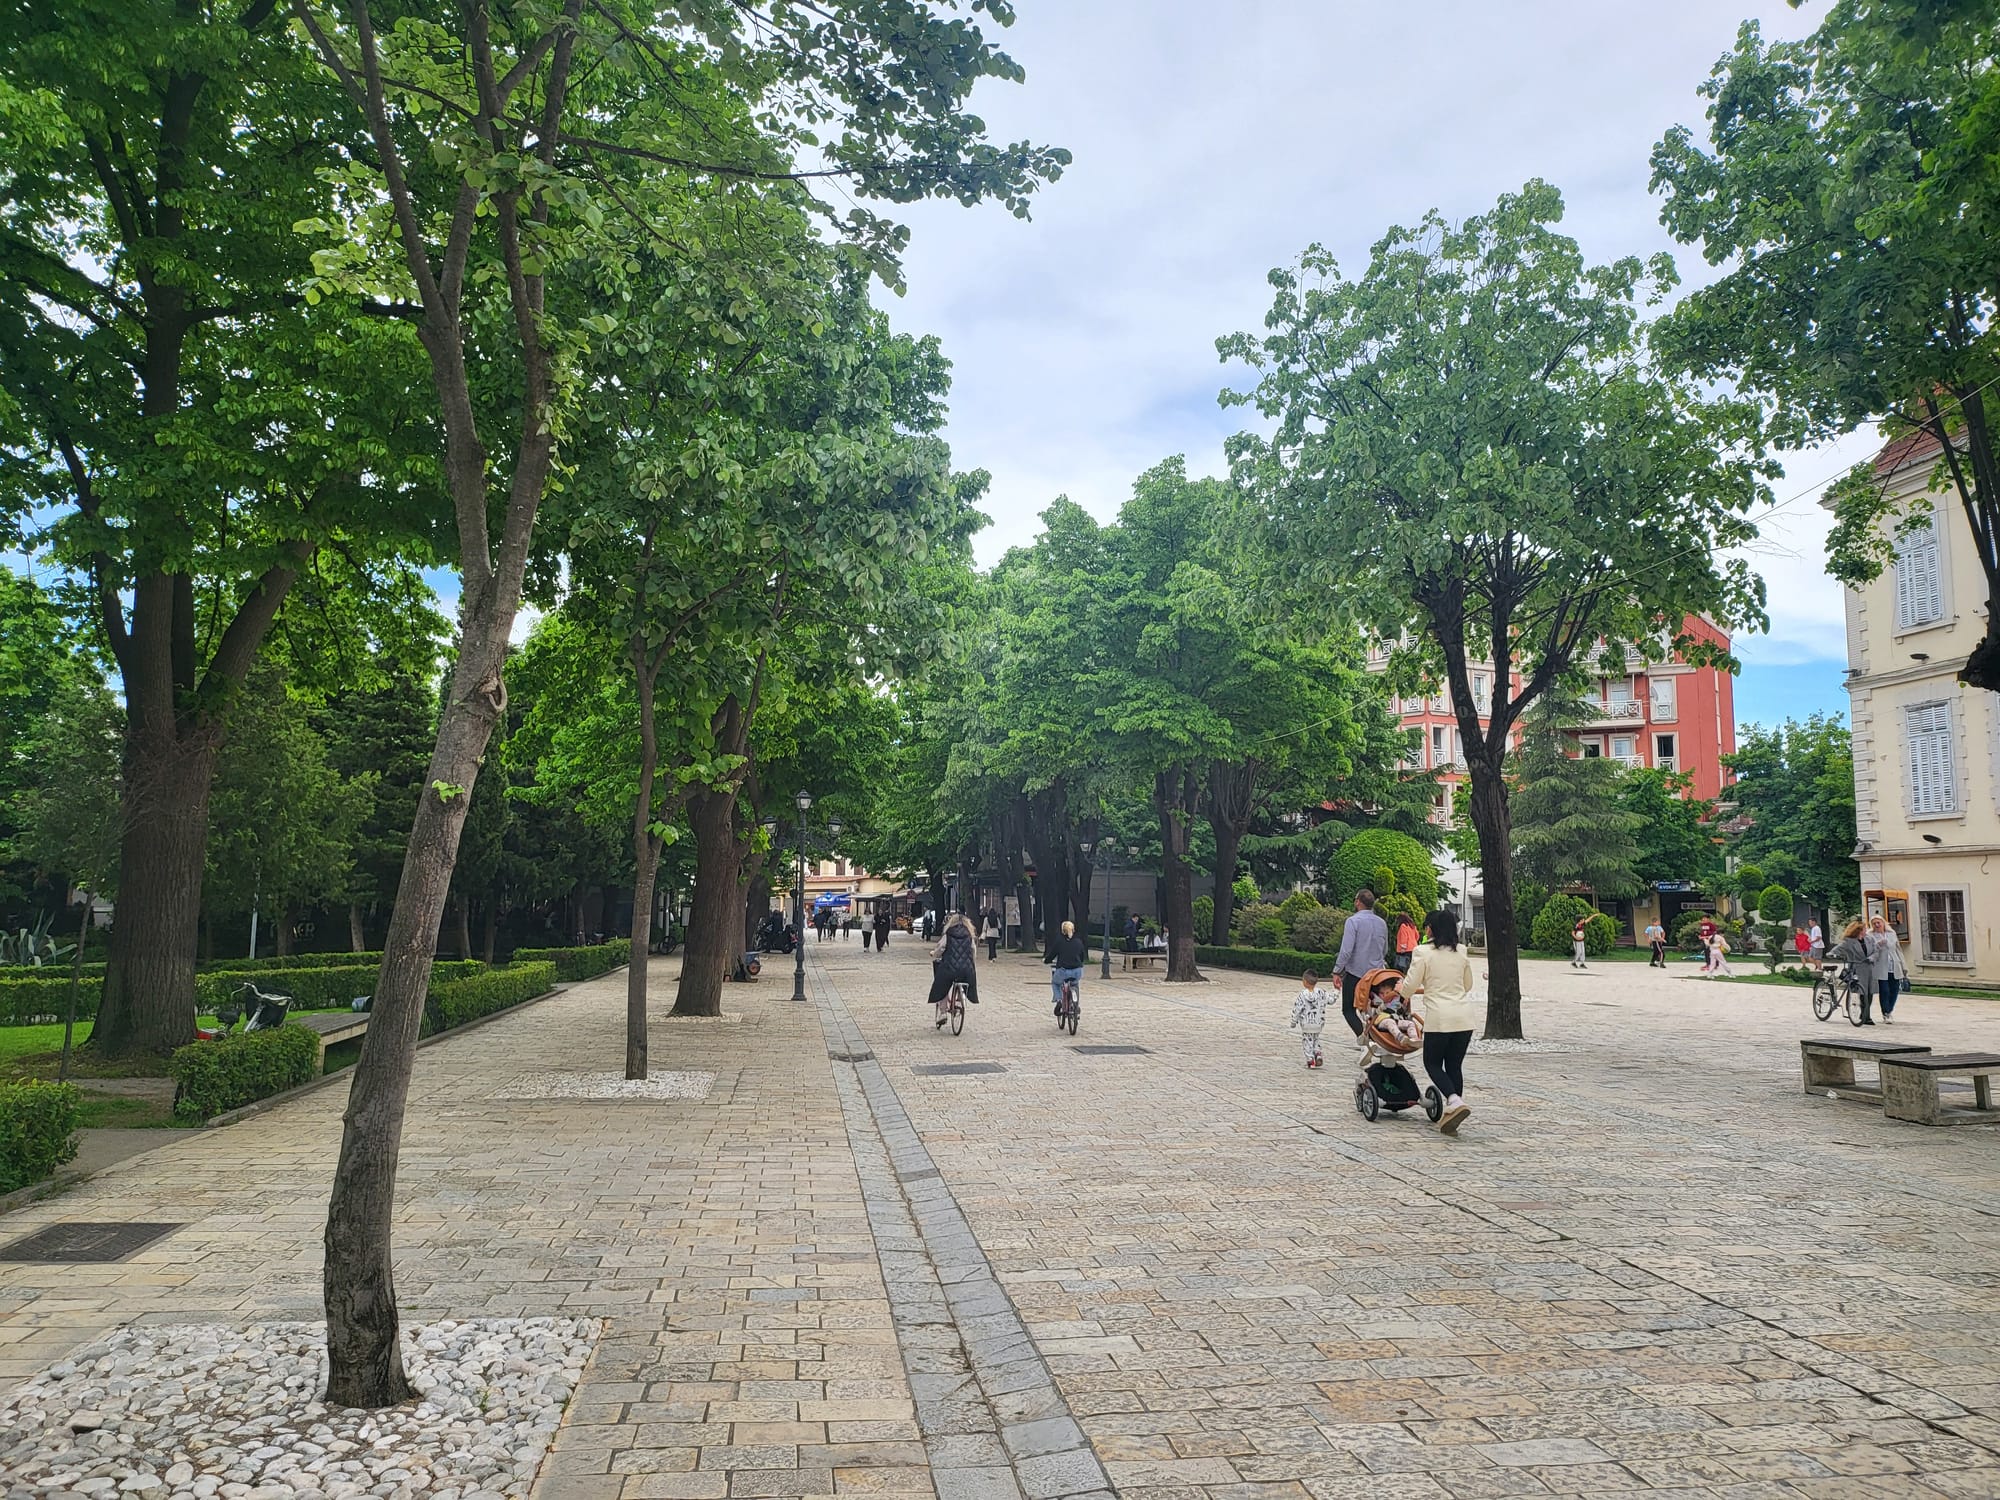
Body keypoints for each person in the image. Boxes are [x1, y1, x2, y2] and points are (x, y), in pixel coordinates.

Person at [1406, 909, 1476, 1135]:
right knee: (1454, 1065)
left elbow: (1409, 985)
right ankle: (1454, 1110)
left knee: (1433, 1063)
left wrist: (1402, 991)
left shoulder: (1423, 952)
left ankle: (1454, 1101)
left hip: (1439, 1017)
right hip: (1464, 1018)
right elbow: (1467, 985)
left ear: (1432, 929)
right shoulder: (1462, 952)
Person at [1335, 888, 1389, 1035]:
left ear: (1358, 902)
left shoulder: (1353, 921)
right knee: (1374, 1009)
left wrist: (1337, 971)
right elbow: (1384, 950)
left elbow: (1346, 950)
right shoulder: (1381, 923)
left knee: (1348, 1010)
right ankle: (1380, 1037)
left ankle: (1365, 1037)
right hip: (1377, 975)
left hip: (1356, 974)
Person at [928, 911, 981, 1011]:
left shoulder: (948, 934)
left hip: (949, 968)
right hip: (966, 970)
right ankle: (960, 1001)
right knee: (965, 980)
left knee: (941, 985)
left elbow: (941, 948)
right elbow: (973, 950)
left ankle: (943, 1011)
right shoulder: (969, 935)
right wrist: (971, 962)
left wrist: (935, 954)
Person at [1827, 920, 1876, 1023]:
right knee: (1862, 992)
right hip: (1856, 967)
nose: (1865, 931)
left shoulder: (1869, 939)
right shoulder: (1849, 942)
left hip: (1869, 968)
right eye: (1864, 929)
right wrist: (1832, 954)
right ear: (1858, 930)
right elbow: (1837, 949)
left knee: (1870, 991)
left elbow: (1876, 951)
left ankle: (1866, 1014)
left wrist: (1872, 957)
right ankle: (1865, 1016)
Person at [1867, 914, 1907, 1023]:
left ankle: (1889, 1010)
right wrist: (1878, 945)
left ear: (1883, 923)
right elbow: (1869, 950)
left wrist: (1904, 965)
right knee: (1884, 990)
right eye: (1874, 923)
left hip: (1894, 965)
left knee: (1894, 990)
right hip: (1880, 967)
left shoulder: (1891, 933)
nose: (1877, 925)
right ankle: (1885, 1013)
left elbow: (1898, 949)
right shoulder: (1870, 935)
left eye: (1878, 922)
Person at [1290, 969, 1329, 1069]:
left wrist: (1293, 1021)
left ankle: (1310, 1060)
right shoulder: (1321, 992)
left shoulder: (1302, 995)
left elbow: (1297, 1008)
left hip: (1306, 1023)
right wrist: (1337, 991)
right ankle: (1318, 1054)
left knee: (1307, 1041)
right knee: (1316, 1039)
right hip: (1318, 1023)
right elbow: (1331, 999)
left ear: (1305, 982)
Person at [1050, 919, 1087, 1016]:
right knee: (1075, 985)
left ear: (1063, 930)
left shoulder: (1059, 942)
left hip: (1063, 971)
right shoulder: (1078, 942)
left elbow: (1052, 955)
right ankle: (1076, 1005)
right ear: (1073, 930)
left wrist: (1046, 960)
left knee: (1055, 983)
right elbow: (1082, 956)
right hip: (1077, 971)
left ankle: (1059, 1000)